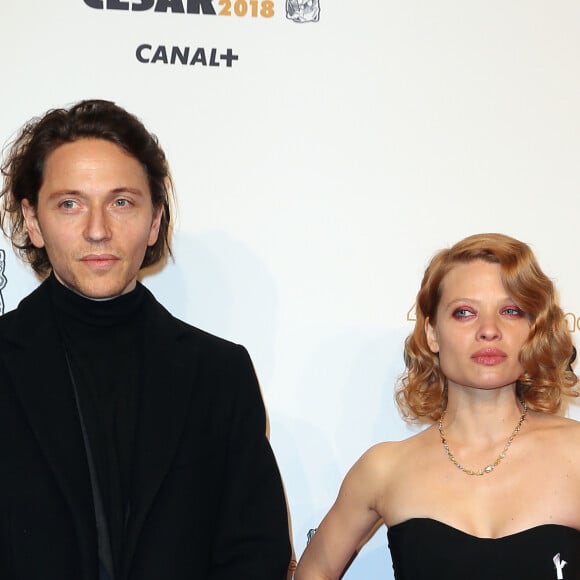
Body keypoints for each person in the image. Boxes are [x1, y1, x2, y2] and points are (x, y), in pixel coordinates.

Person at [0, 99, 291, 580]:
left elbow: (254, 552)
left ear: (154, 219)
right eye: (70, 204)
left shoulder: (218, 373)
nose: (98, 230)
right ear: (33, 221)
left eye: (121, 202)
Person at [295, 233, 580, 580]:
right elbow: (315, 571)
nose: (489, 330)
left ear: (533, 328)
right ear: (432, 332)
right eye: (464, 312)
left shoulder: (574, 452)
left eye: (510, 311)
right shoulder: (384, 469)